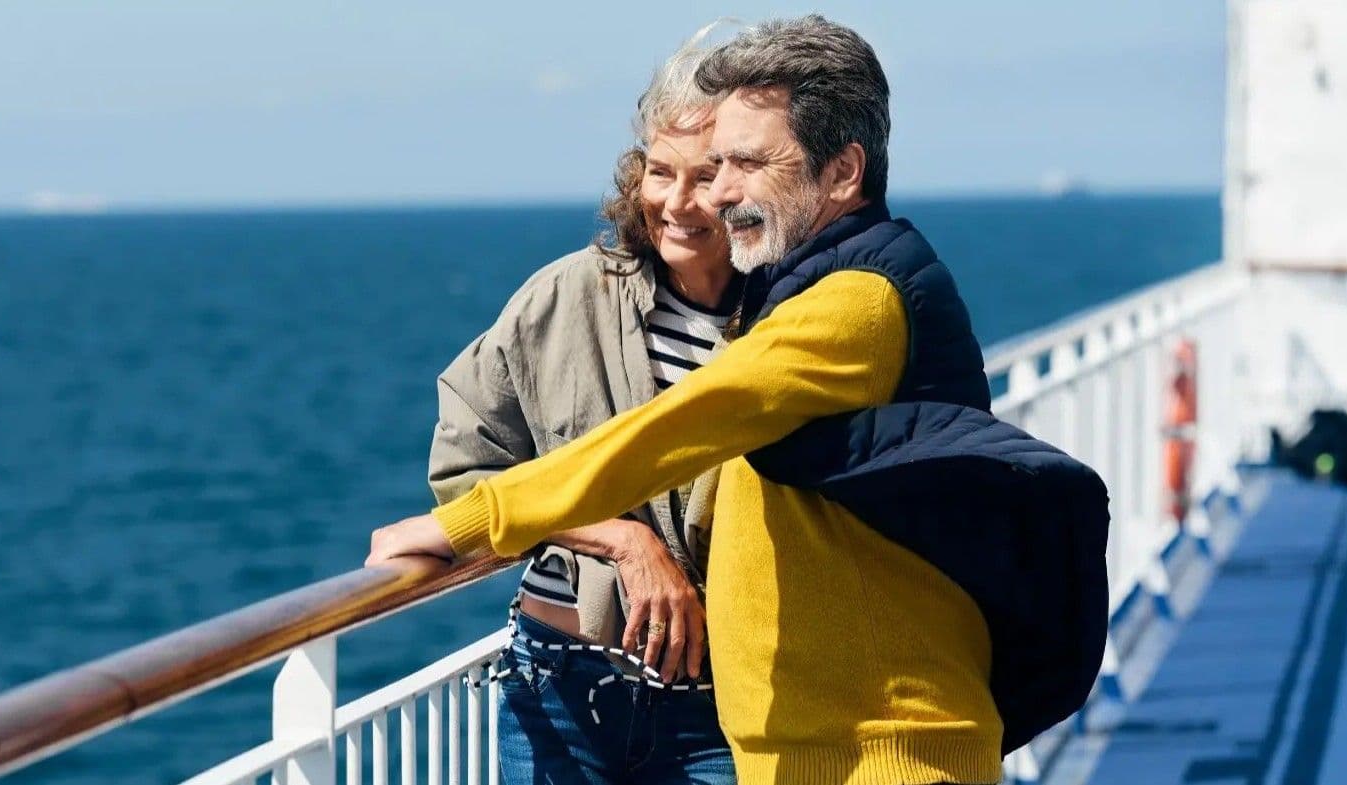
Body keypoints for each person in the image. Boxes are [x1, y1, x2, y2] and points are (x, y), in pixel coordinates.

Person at [371, 15, 1112, 785]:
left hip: (881, 757)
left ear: (843, 172)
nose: (717, 194)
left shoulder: (854, 302)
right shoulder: (791, 288)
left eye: (745, 164)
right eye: (706, 163)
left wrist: (472, 521)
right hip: (811, 751)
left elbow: (690, 420)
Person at [422, 26, 739, 785]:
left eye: (709, 176)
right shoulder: (566, 295)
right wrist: (623, 542)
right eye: (660, 172)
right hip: (556, 684)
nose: (678, 202)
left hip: (725, 706)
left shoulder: (789, 318)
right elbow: (465, 470)